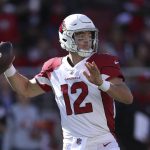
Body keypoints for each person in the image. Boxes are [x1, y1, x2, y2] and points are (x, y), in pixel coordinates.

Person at [2, 14, 133, 150]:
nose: (87, 40)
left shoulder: (103, 61)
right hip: (71, 145)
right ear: (66, 37)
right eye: (81, 36)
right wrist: (8, 67)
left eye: (89, 35)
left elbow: (127, 97)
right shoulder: (54, 67)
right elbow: (26, 89)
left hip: (102, 143)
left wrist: (102, 83)